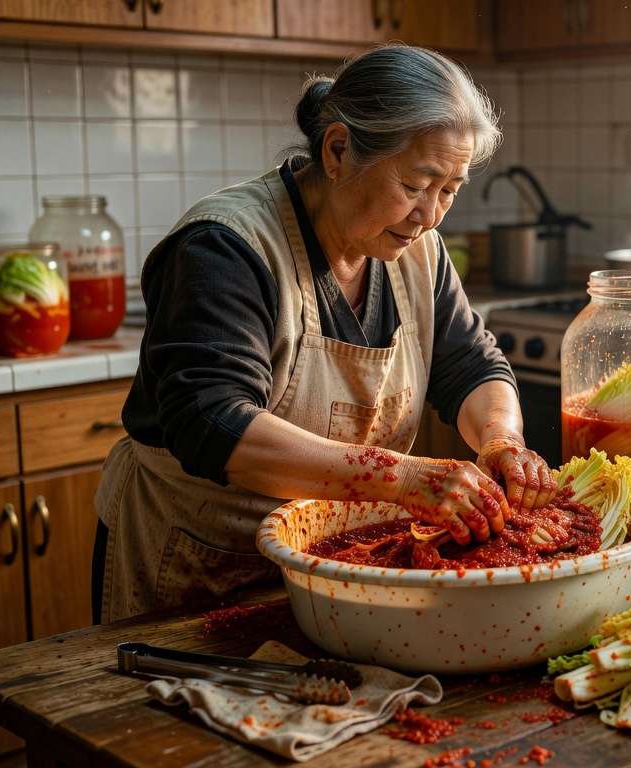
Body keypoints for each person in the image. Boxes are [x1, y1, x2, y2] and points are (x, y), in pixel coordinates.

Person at [93, 44, 556, 623]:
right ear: (338, 151)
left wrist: (500, 440)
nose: (431, 215)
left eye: (450, 190)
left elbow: (471, 365)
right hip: (195, 565)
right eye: (417, 184)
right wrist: (404, 477)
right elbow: (212, 421)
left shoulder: (418, 253)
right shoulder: (226, 246)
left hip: (338, 567)